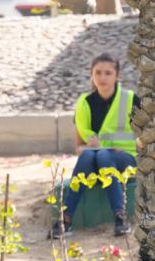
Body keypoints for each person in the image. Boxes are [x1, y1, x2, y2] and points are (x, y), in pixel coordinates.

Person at [51, 53, 139, 239]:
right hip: (95, 161)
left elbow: (145, 138)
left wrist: (117, 146)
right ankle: (65, 220)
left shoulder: (131, 99)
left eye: (108, 73)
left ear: (117, 75)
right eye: (98, 72)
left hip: (126, 159)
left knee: (102, 156)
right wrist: (94, 147)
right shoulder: (84, 103)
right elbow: (79, 148)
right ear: (91, 74)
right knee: (92, 156)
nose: (102, 78)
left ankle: (119, 216)